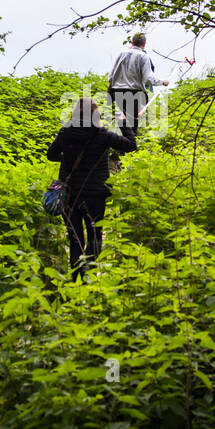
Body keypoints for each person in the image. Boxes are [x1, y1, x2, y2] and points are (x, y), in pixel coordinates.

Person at [46, 97, 137, 279]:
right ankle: (91, 278)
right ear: (96, 114)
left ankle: (74, 281)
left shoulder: (65, 133)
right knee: (94, 235)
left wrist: (66, 158)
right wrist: (124, 123)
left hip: (69, 194)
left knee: (75, 239)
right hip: (95, 196)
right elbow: (131, 145)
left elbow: (51, 155)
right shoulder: (102, 134)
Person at [107, 33, 169, 140]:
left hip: (117, 91)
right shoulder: (144, 57)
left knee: (127, 118)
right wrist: (162, 82)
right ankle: (127, 148)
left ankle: (120, 133)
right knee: (132, 125)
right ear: (144, 44)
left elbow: (111, 77)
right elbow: (148, 79)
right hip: (134, 93)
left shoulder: (121, 53)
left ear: (132, 42)